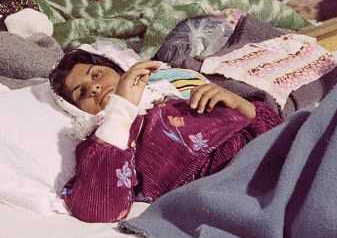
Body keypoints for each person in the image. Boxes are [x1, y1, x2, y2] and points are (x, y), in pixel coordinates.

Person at [48, 46, 282, 223]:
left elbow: (277, 127)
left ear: (121, 70)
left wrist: (240, 104)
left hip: (276, 151)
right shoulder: (104, 143)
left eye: (97, 75)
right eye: (82, 93)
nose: (94, 88)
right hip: (242, 185)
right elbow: (99, 208)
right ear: (76, 110)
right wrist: (121, 110)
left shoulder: (171, 98)